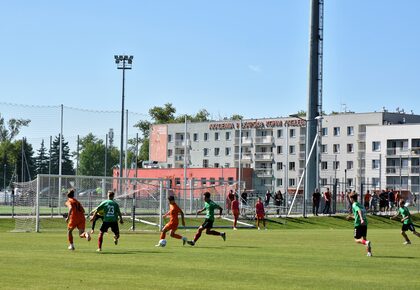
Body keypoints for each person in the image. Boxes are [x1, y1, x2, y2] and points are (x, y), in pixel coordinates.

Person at [347, 192, 372, 257]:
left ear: (352, 198)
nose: (350, 200)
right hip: (364, 223)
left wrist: (361, 219)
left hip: (358, 224)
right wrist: (351, 217)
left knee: (356, 240)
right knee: (364, 239)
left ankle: (367, 243)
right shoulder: (360, 205)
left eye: (350, 198)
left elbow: (359, 211)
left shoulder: (354, 204)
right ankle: (369, 253)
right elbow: (357, 215)